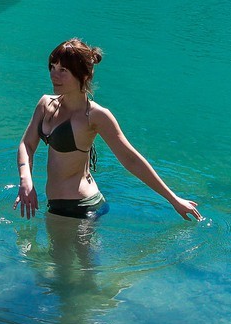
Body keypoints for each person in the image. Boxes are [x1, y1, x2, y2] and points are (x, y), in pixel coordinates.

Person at [15, 38, 201, 222]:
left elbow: (131, 159)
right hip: (55, 205)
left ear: (83, 75)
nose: (54, 75)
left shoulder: (95, 115)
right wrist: (26, 180)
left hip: (82, 207)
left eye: (63, 70)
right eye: (53, 67)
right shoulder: (46, 104)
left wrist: (174, 199)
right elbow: (27, 144)